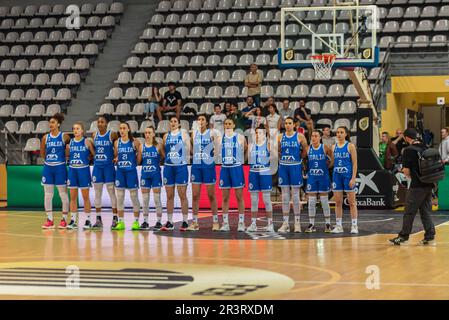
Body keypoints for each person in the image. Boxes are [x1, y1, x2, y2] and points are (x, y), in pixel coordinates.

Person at [390, 128, 436, 245]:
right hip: (429, 184)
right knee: (425, 211)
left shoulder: (408, 150)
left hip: (416, 186)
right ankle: (430, 236)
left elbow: (406, 171)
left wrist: (411, 175)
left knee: (409, 212)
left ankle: (403, 237)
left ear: (406, 138)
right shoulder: (425, 147)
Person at [277, 117, 308, 233]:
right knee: (285, 196)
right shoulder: (280, 136)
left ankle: (297, 223)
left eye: (290, 123)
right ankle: (285, 223)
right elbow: (279, 150)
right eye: (286, 123)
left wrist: (299, 158)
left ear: (294, 125)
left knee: (295, 195)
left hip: (295, 166)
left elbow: (305, 150)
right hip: (284, 166)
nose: (287, 125)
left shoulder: (300, 136)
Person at [40, 113, 70, 229]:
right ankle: (49, 220)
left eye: (53, 122)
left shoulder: (65, 137)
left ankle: (64, 220)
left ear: (58, 124)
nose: (50, 124)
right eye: (50, 122)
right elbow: (42, 153)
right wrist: (49, 160)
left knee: (63, 194)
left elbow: (68, 151)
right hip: (48, 167)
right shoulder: (45, 138)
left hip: (60, 167)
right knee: (48, 195)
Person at [190, 114, 219, 231]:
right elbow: (192, 147)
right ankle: (195, 222)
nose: (200, 121)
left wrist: (212, 158)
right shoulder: (194, 133)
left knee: (211, 195)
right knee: (195, 195)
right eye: (199, 119)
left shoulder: (212, 133)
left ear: (206, 122)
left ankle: (216, 222)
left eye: (202, 119)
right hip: (196, 166)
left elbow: (217, 147)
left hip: (208, 166)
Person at [161, 116, 190, 231]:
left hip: (180, 167)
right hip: (168, 167)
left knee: (182, 195)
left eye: (175, 121)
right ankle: (170, 221)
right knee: (169, 196)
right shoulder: (165, 136)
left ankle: (185, 221)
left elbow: (188, 149)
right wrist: (167, 158)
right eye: (171, 121)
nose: (172, 123)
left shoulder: (183, 135)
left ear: (178, 124)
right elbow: (163, 149)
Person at [219, 118, 247, 232]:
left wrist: (241, 161)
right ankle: (225, 223)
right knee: (225, 198)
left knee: (239, 197)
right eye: (225, 124)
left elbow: (245, 148)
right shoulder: (220, 137)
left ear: (234, 125)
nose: (227, 125)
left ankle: (241, 222)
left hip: (236, 168)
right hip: (225, 168)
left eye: (229, 123)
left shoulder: (240, 137)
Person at [112, 122, 142, 231]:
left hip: (131, 172)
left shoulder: (135, 142)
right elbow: (116, 156)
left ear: (128, 129)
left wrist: (135, 164)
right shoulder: (116, 142)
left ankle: (136, 222)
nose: (122, 130)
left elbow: (139, 156)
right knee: (120, 198)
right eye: (120, 128)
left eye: (124, 128)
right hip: (120, 172)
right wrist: (116, 159)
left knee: (134, 197)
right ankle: (121, 222)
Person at [66, 122, 95, 230]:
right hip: (73, 170)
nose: (75, 130)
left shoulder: (86, 141)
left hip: (83, 170)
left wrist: (90, 158)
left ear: (82, 131)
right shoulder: (71, 142)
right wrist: (67, 150)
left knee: (85, 197)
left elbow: (93, 154)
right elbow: (67, 155)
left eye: (78, 128)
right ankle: (73, 220)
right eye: (74, 129)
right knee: (72, 197)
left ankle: (88, 220)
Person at [92, 116, 118, 230]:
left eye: (102, 122)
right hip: (98, 167)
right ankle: (98, 219)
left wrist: (116, 156)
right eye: (98, 122)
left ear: (106, 124)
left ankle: (115, 218)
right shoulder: (94, 135)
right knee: (97, 193)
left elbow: (117, 144)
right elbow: (94, 150)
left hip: (108, 166)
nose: (100, 124)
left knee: (111, 192)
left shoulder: (111, 135)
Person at [331, 126, 358, 234]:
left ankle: (354, 225)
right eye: (337, 132)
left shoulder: (350, 146)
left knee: (352, 202)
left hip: (347, 176)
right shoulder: (334, 147)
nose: (339, 134)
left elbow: (355, 163)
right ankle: (338, 226)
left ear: (346, 134)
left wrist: (353, 178)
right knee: (338, 202)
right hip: (336, 176)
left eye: (341, 132)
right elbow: (332, 162)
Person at [247, 125, 274, 232]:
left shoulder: (268, 145)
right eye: (257, 132)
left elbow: (274, 158)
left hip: (265, 172)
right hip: (253, 172)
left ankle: (270, 224)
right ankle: (253, 223)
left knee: (267, 200)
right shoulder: (251, 145)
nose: (258, 134)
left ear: (265, 134)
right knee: (254, 201)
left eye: (261, 132)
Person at [305, 130, 333, 233]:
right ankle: (311, 224)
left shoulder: (324, 148)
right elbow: (303, 160)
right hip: (312, 177)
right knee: (311, 202)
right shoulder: (308, 149)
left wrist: (328, 167)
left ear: (320, 137)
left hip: (323, 177)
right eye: (312, 136)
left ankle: (328, 224)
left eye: (316, 136)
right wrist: (305, 170)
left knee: (324, 201)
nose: (313, 138)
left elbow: (332, 159)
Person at [140, 126, 164, 231]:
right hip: (145, 174)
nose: (147, 135)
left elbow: (163, 157)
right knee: (145, 200)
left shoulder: (158, 146)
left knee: (157, 199)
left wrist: (157, 164)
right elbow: (138, 160)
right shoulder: (141, 146)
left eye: (149, 132)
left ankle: (159, 221)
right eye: (146, 133)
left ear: (153, 134)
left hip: (155, 174)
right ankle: (145, 221)